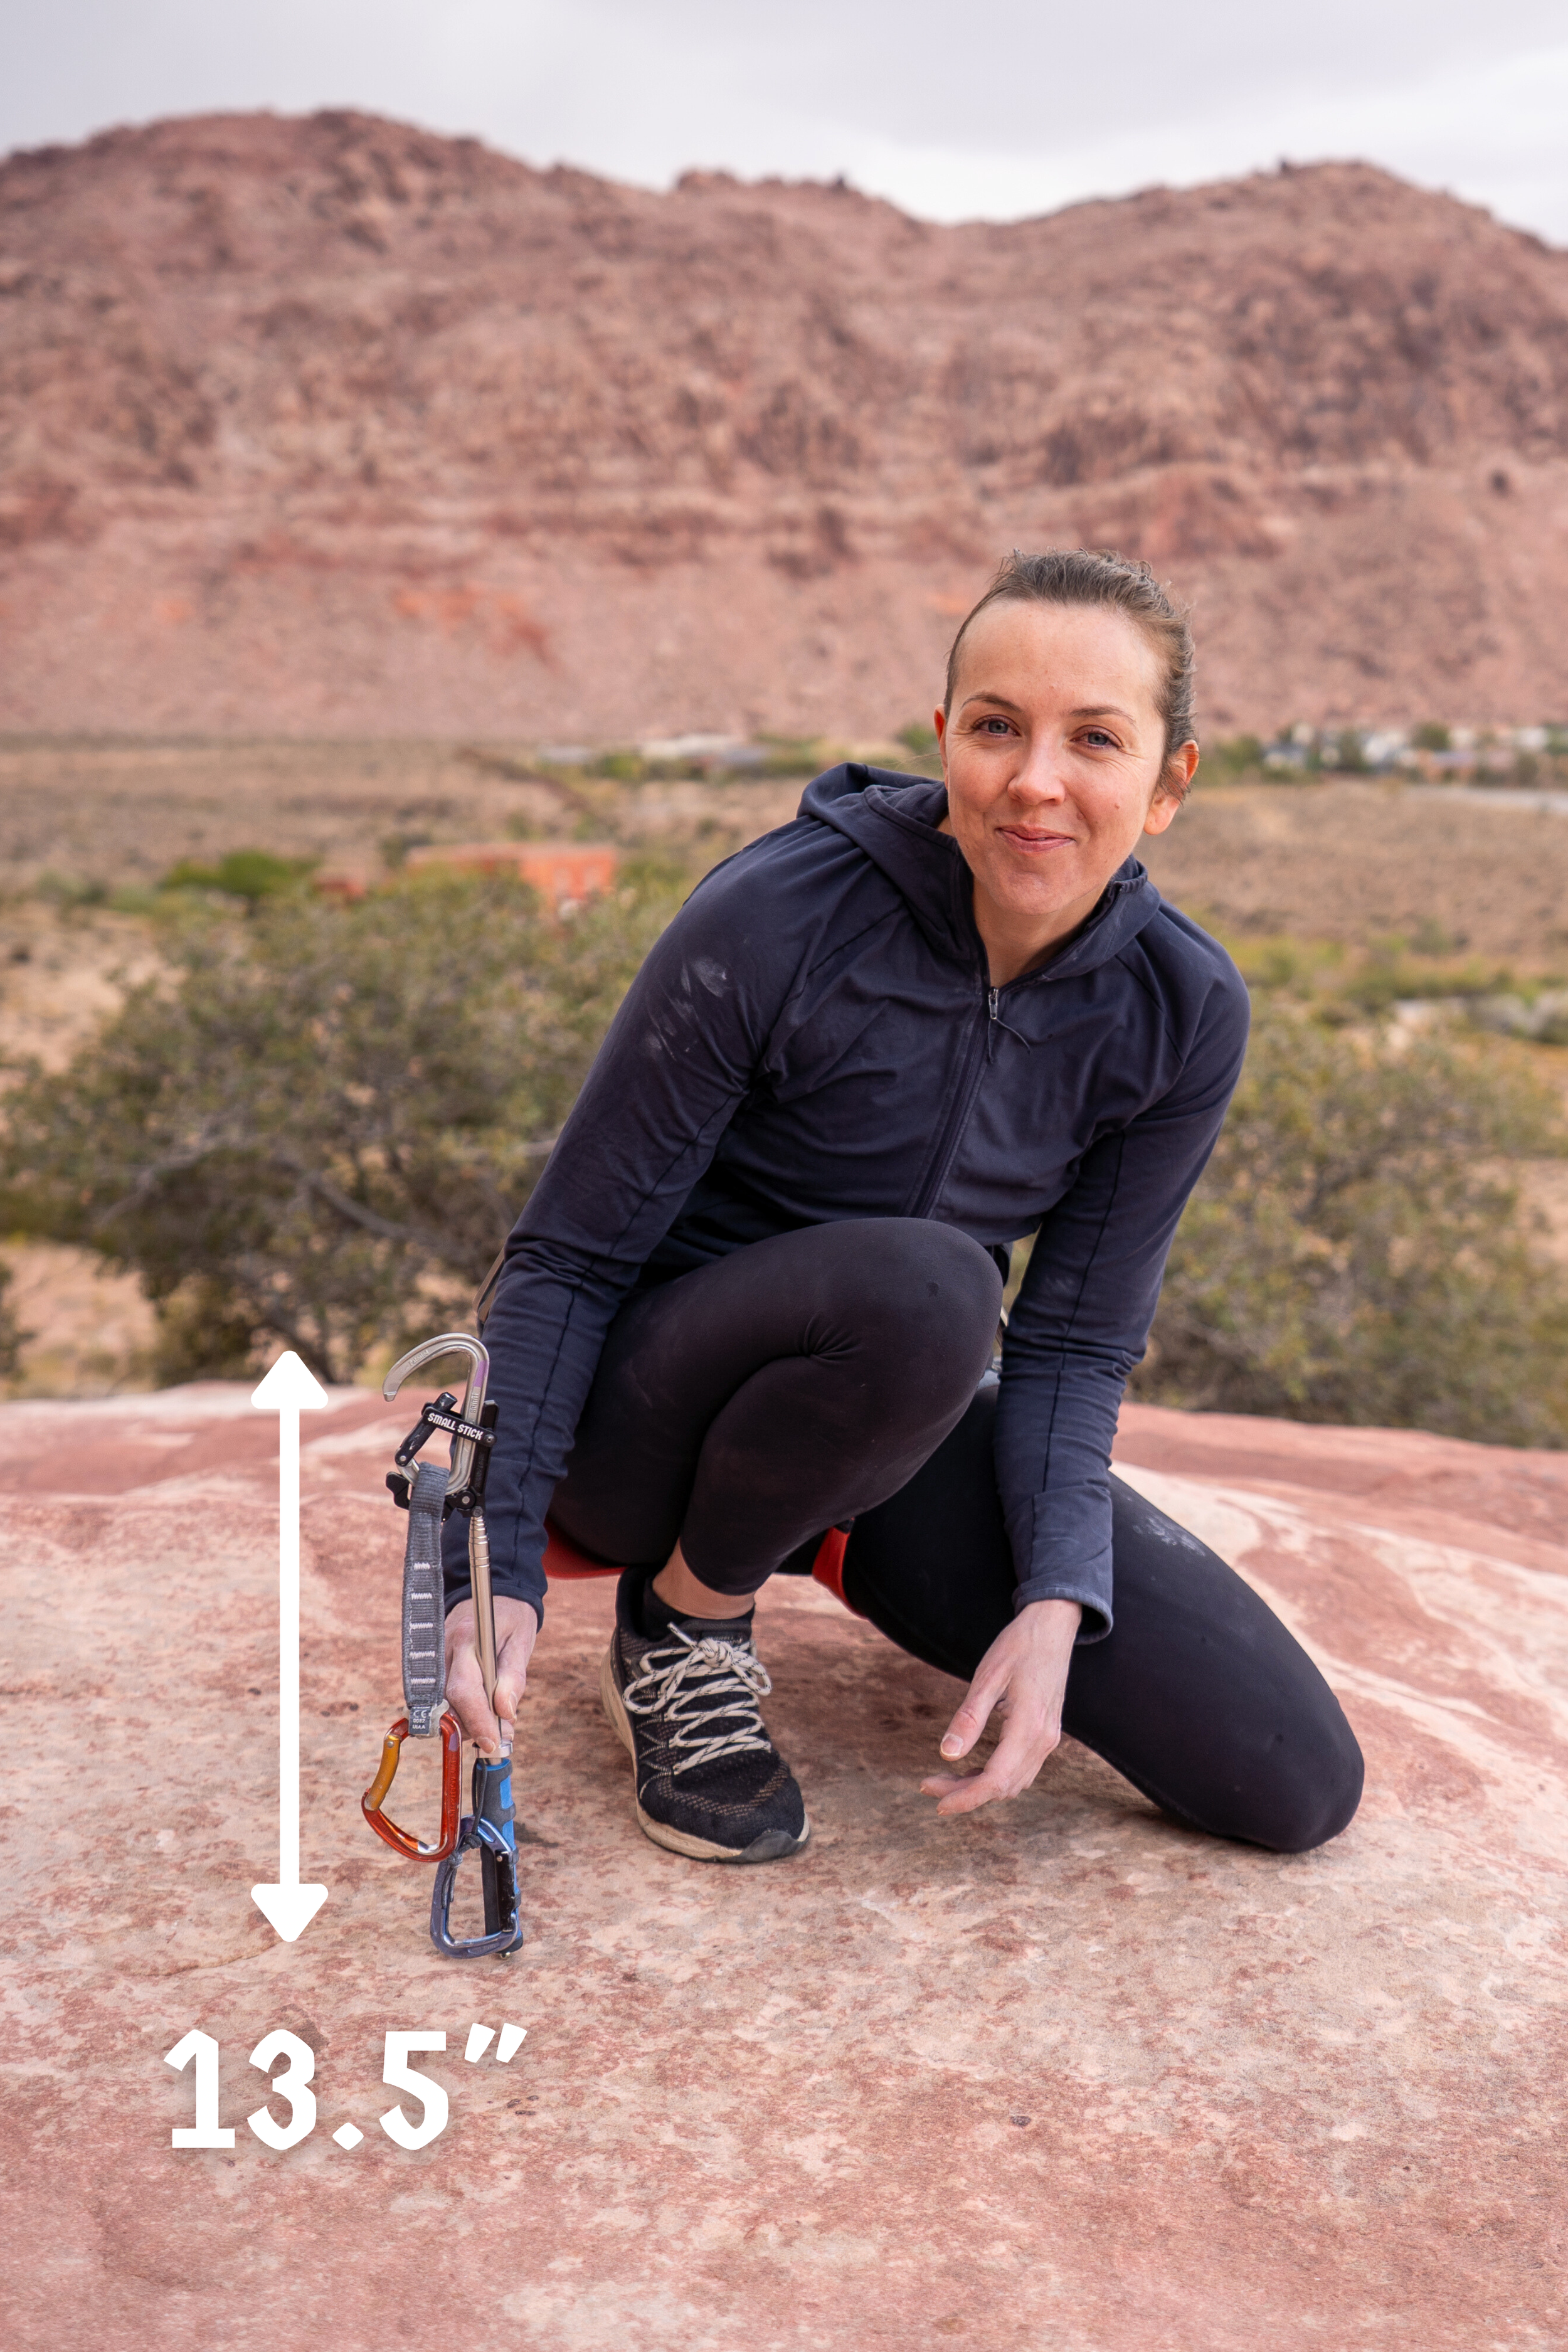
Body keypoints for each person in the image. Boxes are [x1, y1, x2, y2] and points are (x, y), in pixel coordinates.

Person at [439, 549, 1365, 1863]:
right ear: (945, 742)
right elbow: (568, 1260)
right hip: (644, 1422)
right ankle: (685, 1623)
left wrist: (1054, 1596)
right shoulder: (777, 916)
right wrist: (499, 1565)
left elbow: (1074, 1342)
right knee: (933, 1290)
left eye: (1093, 739)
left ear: (1168, 784)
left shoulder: (1179, 1009)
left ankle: (802, 1541)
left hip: (880, 1427)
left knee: (1288, 1780)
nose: (1034, 779)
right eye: (997, 728)